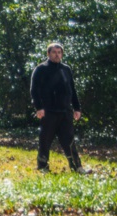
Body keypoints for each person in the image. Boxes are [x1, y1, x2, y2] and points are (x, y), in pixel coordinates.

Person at [30, 43, 85, 173]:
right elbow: (34, 90)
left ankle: (77, 167)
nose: (57, 55)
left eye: (59, 52)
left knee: (69, 140)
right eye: (54, 52)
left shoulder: (66, 69)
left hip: (65, 111)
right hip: (48, 111)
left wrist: (77, 108)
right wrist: (39, 107)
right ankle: (43, 167)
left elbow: (72, 90)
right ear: (48, 54)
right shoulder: (41, 69)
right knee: (45, 140)